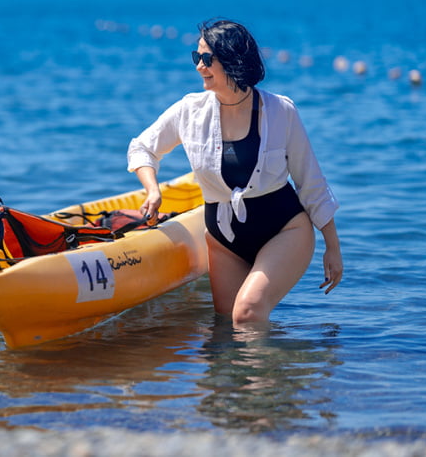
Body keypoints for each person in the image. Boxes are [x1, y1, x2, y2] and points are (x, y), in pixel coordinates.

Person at [127, 19, 342, 325]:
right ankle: (281, 372)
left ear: (232, 60)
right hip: (223, 239)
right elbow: (141, 148)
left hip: (284, 231)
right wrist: (153, 189)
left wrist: (332, 247)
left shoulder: (281, 111)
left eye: (206, 59)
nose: (199, 67)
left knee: (248, 313)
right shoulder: (189, 110)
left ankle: (283, 371)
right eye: (196, 58)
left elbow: (311, 183)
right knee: (229, 330)